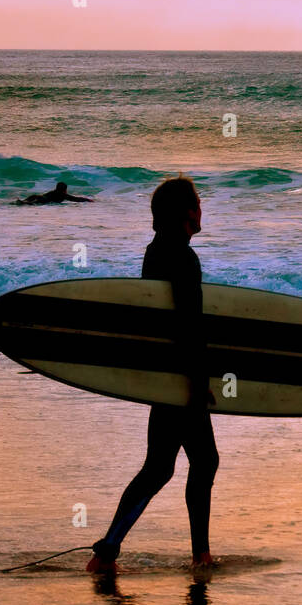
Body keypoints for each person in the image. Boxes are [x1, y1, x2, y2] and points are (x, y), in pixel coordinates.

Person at [87, 175, 218, 574]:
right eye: (197, 202)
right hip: (179, 374)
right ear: (185, 214)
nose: (202, 208)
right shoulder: (184, 258)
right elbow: (188, 323)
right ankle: (197, 557)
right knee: (195, 462)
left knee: (167, 465)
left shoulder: (155, 251)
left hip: (164, 372)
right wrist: (198, 380)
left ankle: (108, 552)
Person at [14, 181, 94, 205]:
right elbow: (76, 199)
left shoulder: (53, 192)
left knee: (25, 202)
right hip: (43, 200)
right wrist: (88, 200)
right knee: (31, 204)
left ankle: (20, 202)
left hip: (37, 196)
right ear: (64, 189)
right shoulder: (63, 194)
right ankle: (22, 203)